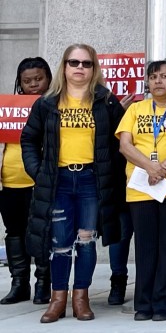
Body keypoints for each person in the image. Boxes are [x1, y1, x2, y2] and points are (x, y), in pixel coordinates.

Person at [22, 44, 126, 323]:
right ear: (64, 66)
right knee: (59, 244)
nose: (80, 68)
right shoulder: (47, 102)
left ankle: (81, 298)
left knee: (86, 241)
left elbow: (122, 141)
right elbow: (28, 140)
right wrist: (38, 172)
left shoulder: (106, 101)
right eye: (74, 62)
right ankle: (58, 299)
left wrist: (112, 176)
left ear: (94, 68)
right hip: (59, 181)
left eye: (86, 63)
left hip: (92, 181)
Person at [115, 60, 166, 321]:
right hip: (141, 188)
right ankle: (144, 302)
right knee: (145, 246)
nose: (158, 81)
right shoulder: (136, 109)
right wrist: (150, 168)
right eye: (153, 77)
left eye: (165, 76)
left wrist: (163, 167)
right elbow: (125, 145)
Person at [2, 58, 51, 306]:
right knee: (14, 233)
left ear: (49, 79)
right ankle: (18, 283)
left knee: (42, 233)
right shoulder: (7, 107)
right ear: (19, 83)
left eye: (38, 79)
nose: (33, 85)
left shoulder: (54, 105)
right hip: (9, 182)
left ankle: (43, 283)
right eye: (27, 81)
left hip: (40, 182)